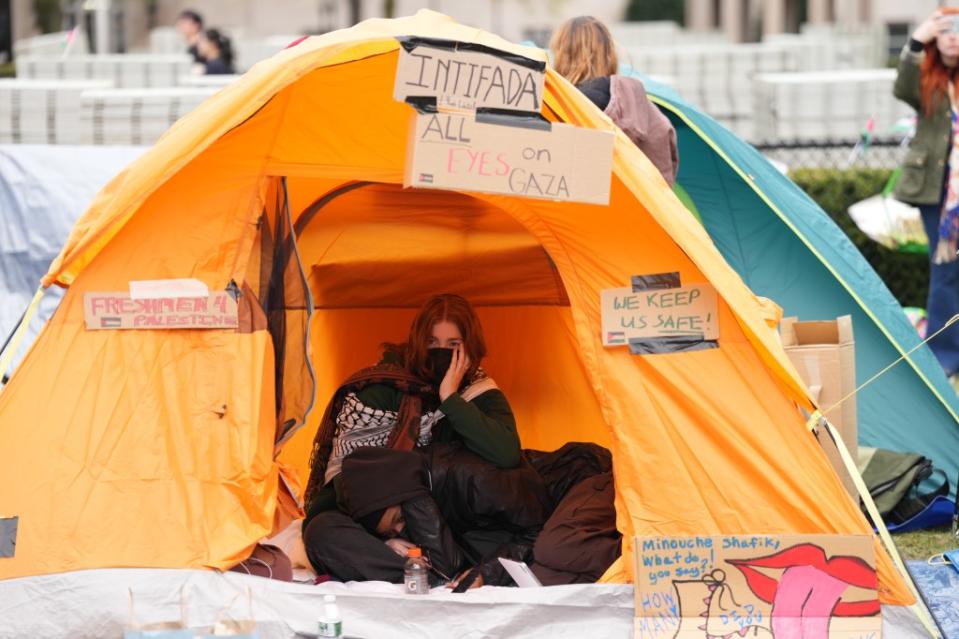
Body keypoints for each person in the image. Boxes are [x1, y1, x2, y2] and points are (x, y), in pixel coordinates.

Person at [302, 294, 524, 582]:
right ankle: (428, 577)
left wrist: (450, 399)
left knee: (507, 534)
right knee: (322, 533)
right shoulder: (381, 387)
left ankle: (437, 569)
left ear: (469, 349)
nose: (441, 353)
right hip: (380, 522)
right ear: (419, 342)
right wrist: (381, 541)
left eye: (453, 345)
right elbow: (346, 483)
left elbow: (506, 453)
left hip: (445, 524)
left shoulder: (476, 390)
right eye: (432, 343)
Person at [893, 8, 959, 381]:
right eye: (945, 31)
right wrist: (917, 38)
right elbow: (902, 87)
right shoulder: (929, 82)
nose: (952, 37)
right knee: (946, 270)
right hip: (937, 191)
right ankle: (945, 356)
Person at [550, 16, 678, 186]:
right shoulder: (646, 110)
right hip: (639, 207)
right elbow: (665, 171)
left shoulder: (560, 106)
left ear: (561, 54)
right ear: (609, 54)